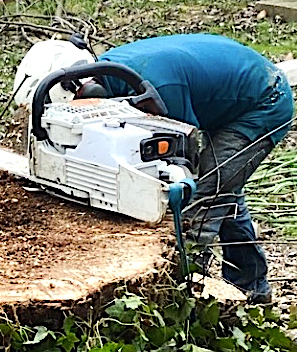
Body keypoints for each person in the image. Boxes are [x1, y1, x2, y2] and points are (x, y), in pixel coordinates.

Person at [83, 34, 294, 304]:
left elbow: (182, 160)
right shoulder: (109, 71)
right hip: (231, 94)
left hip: (264, 101)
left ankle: (186, 296)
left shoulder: (159, 89)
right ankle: (252, 287)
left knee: (202, 199)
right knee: (223, 186)